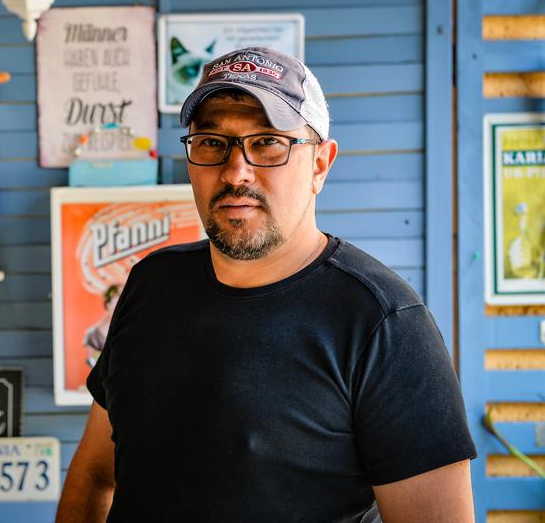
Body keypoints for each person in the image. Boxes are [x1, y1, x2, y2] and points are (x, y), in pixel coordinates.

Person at [55, 47, 477, 523]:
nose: (236, 172)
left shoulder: (383, 321)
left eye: (268, 143)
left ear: (320, 163)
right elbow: (94, 474)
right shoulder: (151, 283)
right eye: (212, 142)